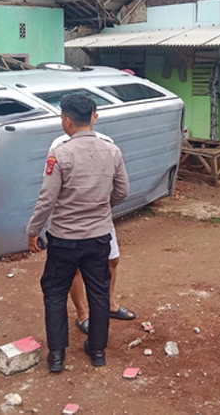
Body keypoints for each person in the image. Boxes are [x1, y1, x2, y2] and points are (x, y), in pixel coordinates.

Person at [27, 94, 129, 373]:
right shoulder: (112, 150)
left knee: (54, 292)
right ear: (92, 117)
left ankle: (57, 356)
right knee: (99, 293)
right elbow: (123, 191)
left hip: (64, 239)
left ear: (68, 120)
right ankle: (97, 351)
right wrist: (101, 208)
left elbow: (47, 199)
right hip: (98, 237)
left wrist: (33, 230)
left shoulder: (60, 153)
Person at [44, 127, 136, 337]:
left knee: (112, 260)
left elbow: (120, 186)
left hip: (99, 219)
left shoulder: (107, 142)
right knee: (74, 268)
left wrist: (103, 207)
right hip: (71, 222)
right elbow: (51, 189)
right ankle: (83, 314)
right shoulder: (58, 146)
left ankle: (110, 304)